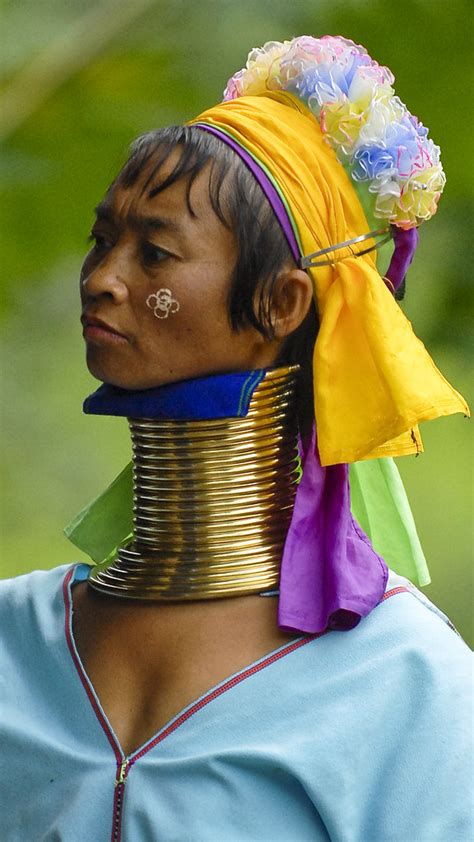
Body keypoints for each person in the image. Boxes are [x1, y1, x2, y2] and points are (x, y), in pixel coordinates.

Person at [1, 34, 472, 842]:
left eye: (154, 252)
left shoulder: (404, 682)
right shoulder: (16, 640)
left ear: (283, 304)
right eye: (101, 239)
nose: (103, 278)